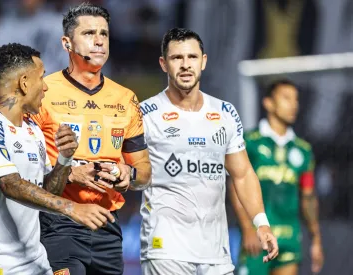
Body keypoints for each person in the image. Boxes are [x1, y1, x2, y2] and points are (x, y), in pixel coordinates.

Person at [0, 43, 114, 275]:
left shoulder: (32, 129)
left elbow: (47, 191)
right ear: (24, 82)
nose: (46, 87)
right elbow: (10, 184)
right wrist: (72, 208)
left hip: (33, 263)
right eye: (42, 77)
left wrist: (64, 161)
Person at [139, 28, 279, 275]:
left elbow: (243, 174)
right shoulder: (145, 113)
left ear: (203, 61)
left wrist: (262, 223)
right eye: (176, 58)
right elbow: (130, 171)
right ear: (163, 64)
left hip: (216, 252)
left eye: (192, 57)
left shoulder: (225, 113)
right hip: (166, 249)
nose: (185, 65)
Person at [29, 3, 152, 275]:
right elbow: (21, 170)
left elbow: (144, 172)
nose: (98, 41)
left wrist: (127, 173)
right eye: (88, 33)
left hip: (107, 227)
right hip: (58, 223)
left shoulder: (126, 98)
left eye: (104, 34)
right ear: (66, 43)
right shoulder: (43, 93)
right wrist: (71, 174)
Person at [230, 79, 324, 275]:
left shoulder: (303, 150)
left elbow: (308, 196)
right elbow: (236, 185)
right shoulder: (249, 142)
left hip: (290, 239)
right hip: (257, 237)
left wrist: (316, 239)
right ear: (268, 103)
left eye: (296, 99)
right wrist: (247, 228)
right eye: (286, 98)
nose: (294, 104)